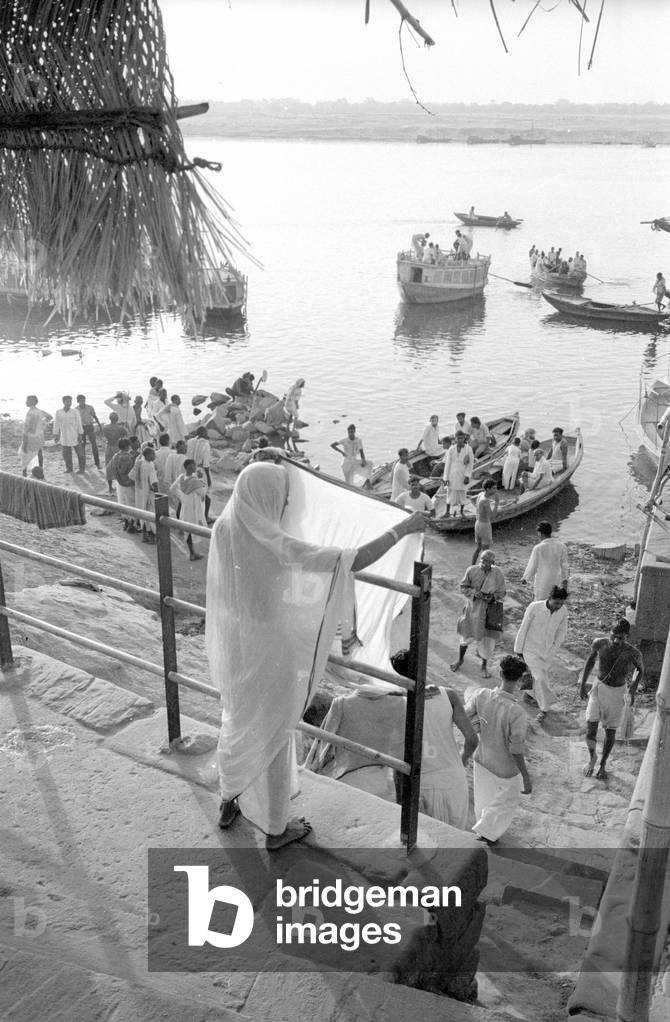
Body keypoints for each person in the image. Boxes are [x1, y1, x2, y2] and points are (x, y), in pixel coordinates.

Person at [206, 461, 428, 849]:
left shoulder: (228, 527)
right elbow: (349, 560)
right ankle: (276, 829)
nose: (287, 504)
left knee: (237, 720)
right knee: (274, 734)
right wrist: (403, 528)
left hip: (237, 644)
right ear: (268, 498)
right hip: (271, 651)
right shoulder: (273, 543)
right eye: (283, 497)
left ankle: (230, 798)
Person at [465, 655, 532, 845]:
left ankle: (483, 831)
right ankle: (485, 833)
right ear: (519, 680)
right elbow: (516, 749)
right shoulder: (517, 712)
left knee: (484, 799)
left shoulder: (481, 695)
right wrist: (525, 776)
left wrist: (478, 727)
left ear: (500, 674)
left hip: (482, 759)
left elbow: (465, 716)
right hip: (505, 768)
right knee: (508, 800)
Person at [580, 620, 645, 780]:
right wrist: (582, 684)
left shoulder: (633, 652)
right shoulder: (599, 644)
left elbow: (640, 670)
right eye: (614, 636)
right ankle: (592, 757)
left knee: (610, 732)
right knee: (590, 729)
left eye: (621, 638)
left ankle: (602, 764)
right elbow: (590, 661)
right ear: (610, 632)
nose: (616, 641)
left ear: (627, 637)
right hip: (598, 688)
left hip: (617, 693)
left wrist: (633, 690)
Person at [514, 586, 569, 723]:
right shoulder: (535, 607)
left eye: (561, 603)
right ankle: (544, 709)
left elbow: (562, 631)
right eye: (556, 603)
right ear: (549, 598)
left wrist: (555, 647)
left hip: (547, 651)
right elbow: (524, 627)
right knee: (539, 678)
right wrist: (518, 650)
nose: (558, 606)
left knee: (540, 676)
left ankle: (528, 696)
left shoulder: (563, 611)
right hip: (530, 649)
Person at [451, 550, 506, 679]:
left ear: (492, 563)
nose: (483, 563)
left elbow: (502, 592)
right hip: (473, 610)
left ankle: (484, 666)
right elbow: (463, 587)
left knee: (487, 641)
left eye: (487, 561)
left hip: (490, 611)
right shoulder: (471, 570)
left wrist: (492, 597)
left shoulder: (497, 573)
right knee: (466, 636)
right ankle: (460, 660)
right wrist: (474, 593)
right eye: (482, 560)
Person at [170, 459, 207, 561]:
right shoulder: (195, 481)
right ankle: (192, 553)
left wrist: (181, 497)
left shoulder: (181, 477)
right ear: (190, 467)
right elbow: (203, 492)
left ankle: (192, 552)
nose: (195, 467)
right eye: (194, 466)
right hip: (193, 508)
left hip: (185, 506)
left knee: (188, 529)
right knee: (193, 528)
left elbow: (172, 489)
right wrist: (201, 479)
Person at [522, 522, 569, 601]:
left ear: (539, 533)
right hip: (556, 581)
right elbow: (564, 567)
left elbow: (532, 567)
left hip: (542, 582)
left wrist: (525, 578)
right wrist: (565, 583)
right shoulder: (562, 546)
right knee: (554, 602)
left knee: (540, 604)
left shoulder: (538, 548)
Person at [108, 437, 139, 532]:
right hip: (128, 484)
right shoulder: (128, 457)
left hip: (119, 483)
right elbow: (129, 472)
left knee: (122, 502)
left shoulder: (115, 456)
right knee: (131, 503)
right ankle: (132, 524)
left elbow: (113, 470)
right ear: (127, 446)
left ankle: (126, 522)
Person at [129, 446, 158, 543]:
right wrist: (157, 492)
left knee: (141, 511)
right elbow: (154, 481)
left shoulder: (139, 463)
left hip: (139, 491)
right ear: (148, 455)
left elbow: (131, 476)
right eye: (153, 454)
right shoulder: (150, 465)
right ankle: (149, 535)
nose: (154, 456)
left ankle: (144, 535)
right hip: (148, 492)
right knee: (149, 513)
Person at [442, 431, 473, 517]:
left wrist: (467, 476)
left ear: (464, 438)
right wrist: (446, 478)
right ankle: (447, 512)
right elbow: (447, 464)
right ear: (455, 439)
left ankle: (461, 511)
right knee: (449, 492)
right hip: (452, 474)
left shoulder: (468, 449)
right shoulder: (451, 449)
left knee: (462, 492)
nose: (459, 440)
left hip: (462, 474)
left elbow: (470, 464)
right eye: (458, 438)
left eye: (461, 438)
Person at [186, 426, 214, 523]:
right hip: (201, 470)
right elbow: (206, 463)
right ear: (203, 433)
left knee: (192, 492)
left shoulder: (190, 442)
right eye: (206, 432)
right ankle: (205, 517)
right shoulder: (205, 444)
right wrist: (209, 477)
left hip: (190, 468)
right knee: (206, 493)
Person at [20, 396, 52, 477]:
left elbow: (28, 427)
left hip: (31, 436)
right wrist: (42, 424)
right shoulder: (39, 411)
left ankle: (24, 472)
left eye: (27, 400)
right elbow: (50, 417)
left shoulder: (30, 413)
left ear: (33, 402)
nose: (26, 402)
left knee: (25, 453)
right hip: (39, 435)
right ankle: (41, 471)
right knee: (39, 453)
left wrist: (25, 438)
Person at [54, 395, 84, 474]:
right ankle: (69, 468)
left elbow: (79, 423)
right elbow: (56, 424)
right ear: (63, 402)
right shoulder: (58, 412)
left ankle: (82, 469)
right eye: (67, 401)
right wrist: (56, 434)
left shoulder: (75, 411)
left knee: (80, 454)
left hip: (75, 435)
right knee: (66, 454)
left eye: (70, 401)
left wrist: (80, 434)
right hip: (64, 436)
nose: (69, 403)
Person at [472, 479, 499, 565]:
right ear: (488, 489)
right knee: (486, 552)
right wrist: (497, 503)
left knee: (478, 548)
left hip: (477, 523)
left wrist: (479, 511)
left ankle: (472, 566)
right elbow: (492, 515)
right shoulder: (485, 501)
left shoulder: (480, 495)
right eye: (494, 488)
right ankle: (488, 570)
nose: (496, 490)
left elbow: (472, 500)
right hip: (484, 525)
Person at [101, 413, 128, 493]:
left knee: (109, 467)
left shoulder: (105, 428)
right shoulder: (121, 428)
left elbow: (105, 435)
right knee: (119, 466)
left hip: (109, 447)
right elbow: (125, 435)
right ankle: (120, 485)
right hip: (117, 447)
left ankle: (110, 487)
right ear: (117, 419)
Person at [73, 395, 101, 470]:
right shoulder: (75, 410)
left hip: (89, 426)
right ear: (78, 401)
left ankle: (97, 463)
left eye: (84, 400)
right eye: (81, 400)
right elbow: (75, 421)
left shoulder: (90, 407)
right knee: (82, 446)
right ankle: (83, 464)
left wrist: (99, 425)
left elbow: (95, 416)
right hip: (81, 428)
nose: (83, 402)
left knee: (94, 445)